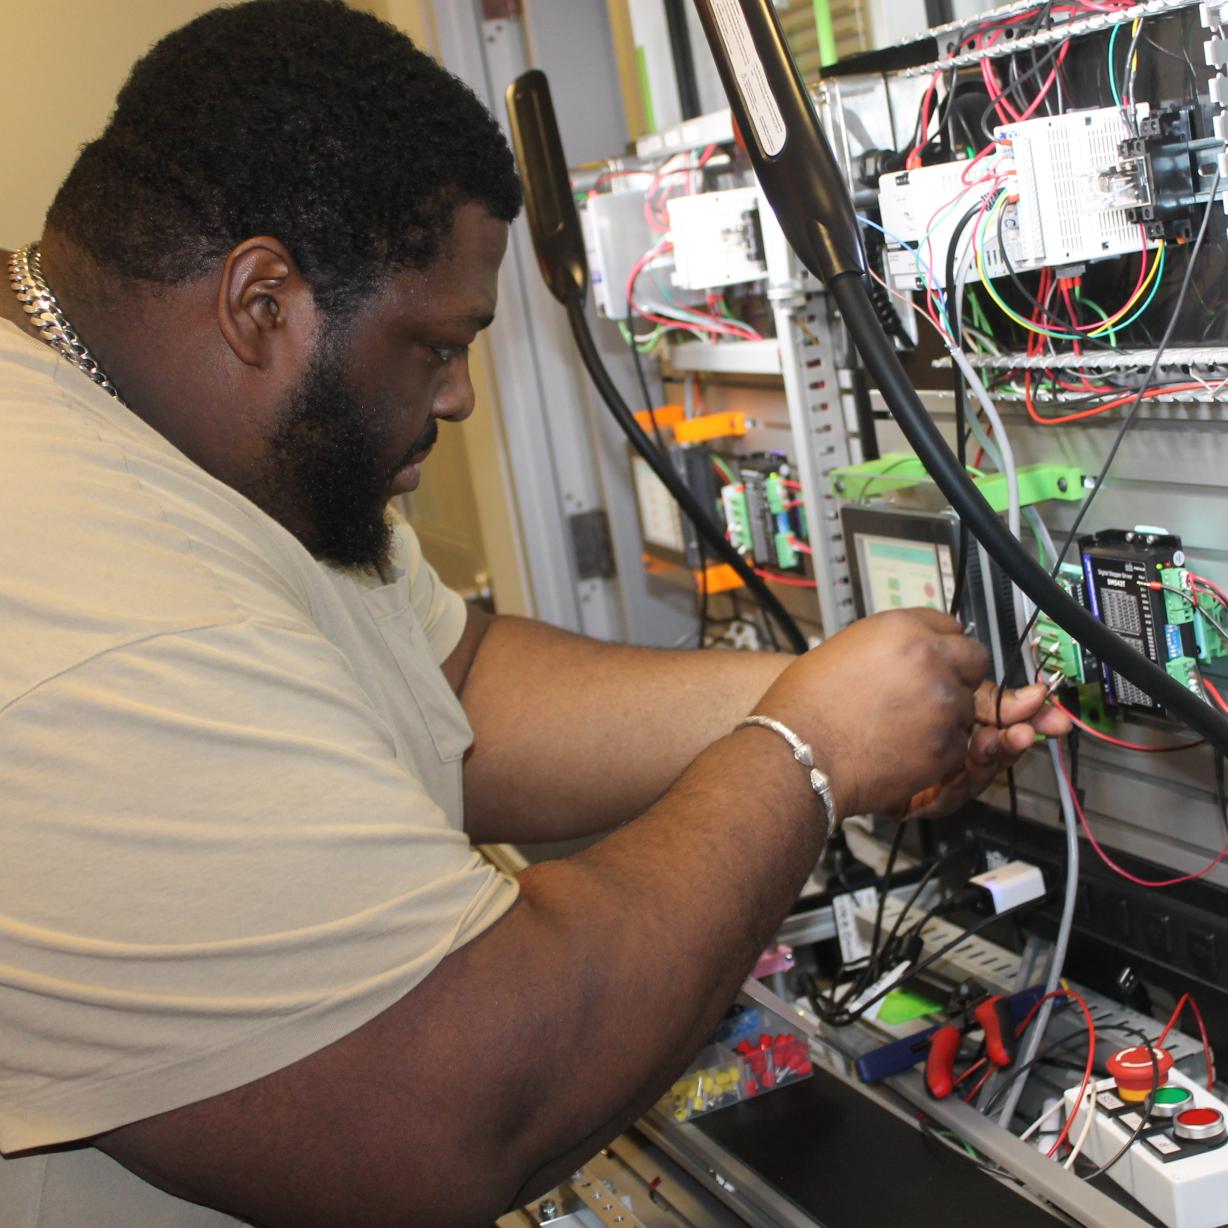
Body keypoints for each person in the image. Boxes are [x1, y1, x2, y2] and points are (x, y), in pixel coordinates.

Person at [0, 2, 1067, 1224]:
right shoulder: (86, 600)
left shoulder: (197, 444)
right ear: (261, 304)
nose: (457, 398)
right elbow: (455, 1101)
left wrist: (834, 693)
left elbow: (458, 691)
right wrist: (808, 753)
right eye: (433, 347)